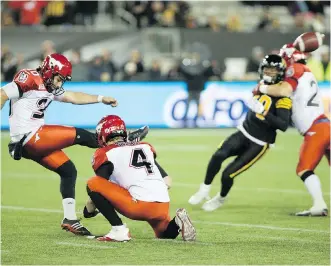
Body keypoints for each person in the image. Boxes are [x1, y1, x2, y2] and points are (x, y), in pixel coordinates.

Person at [0, 53, 149, 236]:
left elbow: (73, 97)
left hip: (34, 139)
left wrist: (100, 98)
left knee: (68, 171)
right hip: (29, 136)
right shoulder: (29, 78)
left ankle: (69, 218)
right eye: (59, 78)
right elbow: (2, 94)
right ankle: (125, 140)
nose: (59, 83)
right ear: (49, 71)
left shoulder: (49, 85)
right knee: (80, 135)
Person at [188, 54, 292, 211]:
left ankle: (221, 198)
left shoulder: (283, 96)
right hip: (244, 131)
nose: (269, 73)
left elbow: (284, 125)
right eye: (267, 69)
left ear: (280, 72)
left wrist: (264, 112)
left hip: (259, 143)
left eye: (273, 70)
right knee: (218, 155)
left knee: (228, 174)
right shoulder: (262, 85)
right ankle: (204, 189)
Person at [83, 115, 196, 242]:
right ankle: (177, 221)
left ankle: (119, 230)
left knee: (92, 183)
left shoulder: (105, 153)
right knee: (164, 233)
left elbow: (97, 186)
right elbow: (167, 181)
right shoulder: (144, 147)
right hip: (162, 204)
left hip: (139, 205)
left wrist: (88, 211)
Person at [256, 44, 330, 216]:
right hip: (324, 124)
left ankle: (319, 205)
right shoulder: (306, 70)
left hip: (315, 129)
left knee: (304, 169)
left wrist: (261, 88)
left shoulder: (295, 69)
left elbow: (284, 90)